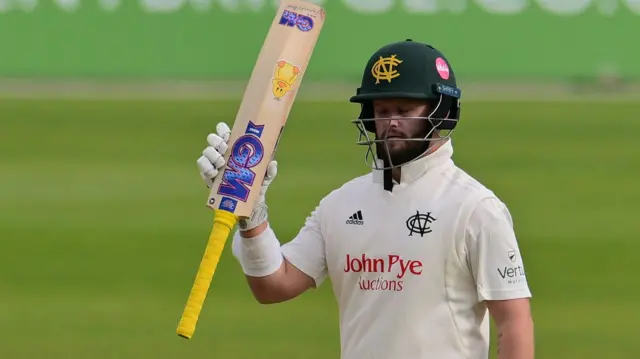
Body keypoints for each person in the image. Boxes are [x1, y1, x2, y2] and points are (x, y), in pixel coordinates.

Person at [196, 39, 535, 359]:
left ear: (441, 112)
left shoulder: (475, 208)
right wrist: (251, 214)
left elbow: (513, 321)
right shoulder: (341, 205)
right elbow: (274, 286)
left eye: (404, 108)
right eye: (382, 110)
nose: (391, 123)